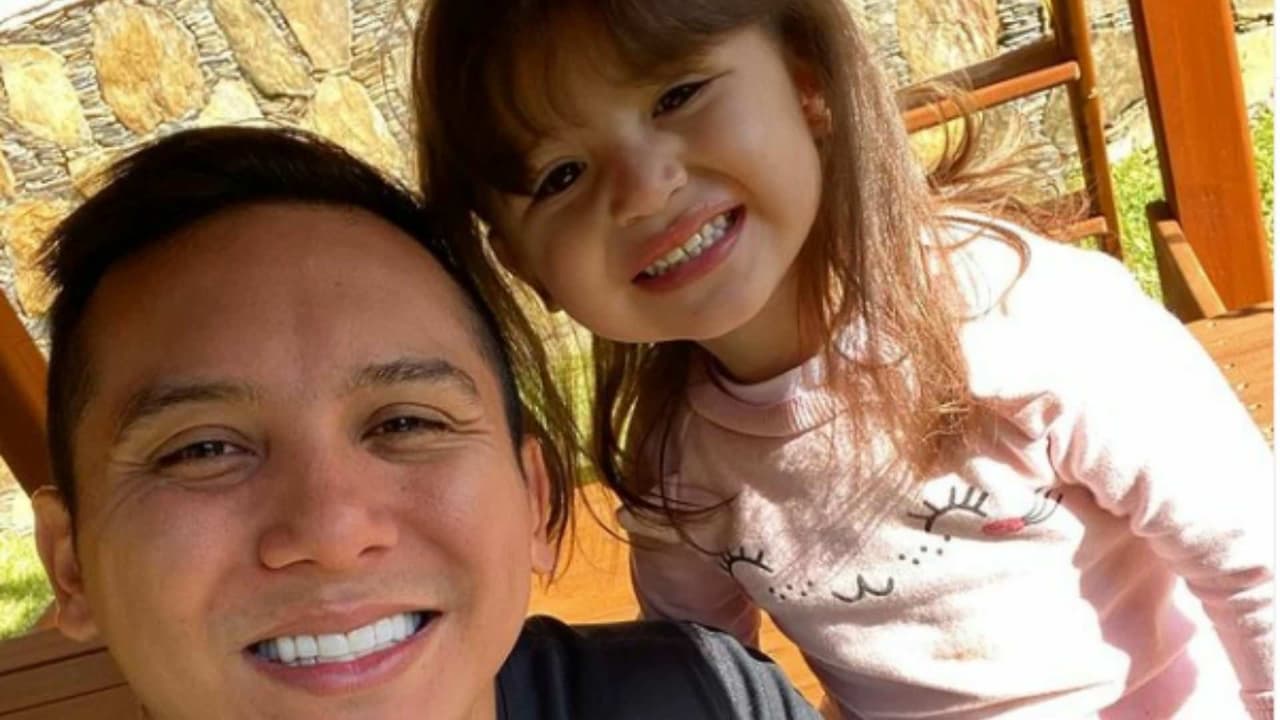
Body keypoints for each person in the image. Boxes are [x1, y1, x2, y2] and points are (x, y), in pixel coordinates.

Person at [410, 1, 1275, 718]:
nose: (642, 190)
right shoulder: (677, 464)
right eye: (561, 175)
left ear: (806, 82)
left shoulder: (1032, 317)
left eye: (677, 95)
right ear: (523, 265)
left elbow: (1256, 561)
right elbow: (696, 677)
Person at [30, 126, 820, 720]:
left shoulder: (706, 700)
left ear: (534, 499)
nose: (332, 533)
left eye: (405, 424)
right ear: (71, 566)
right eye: (202, 448)